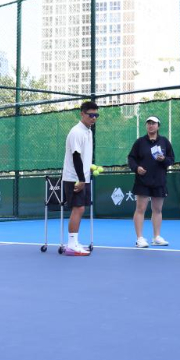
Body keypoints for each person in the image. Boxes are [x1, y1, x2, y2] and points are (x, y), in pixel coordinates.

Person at [127, 116, 175, 248]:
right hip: (142, 181)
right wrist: (136, 168)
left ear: (158, 126)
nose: (151, 125)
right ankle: (139, 238)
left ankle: (156, 237)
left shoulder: (165, 141)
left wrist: (163, 159)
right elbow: (131, 158)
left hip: (159, 180)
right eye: (148, 123)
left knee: (157, 210)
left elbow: (171, 159)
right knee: (140, 209)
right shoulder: (140, 142)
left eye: (153, 123)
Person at [61, 101, 99, 256]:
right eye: (91, 115)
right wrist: (81, 179)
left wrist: (89, 169)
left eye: (96, 115)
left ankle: (74, 242)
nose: (94, 118)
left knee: (80, 209)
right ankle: (71, 245)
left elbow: (83, 157)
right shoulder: (76, 132)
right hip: (74, 178)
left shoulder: (88, 131)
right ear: (82, 114)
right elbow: (76, 156)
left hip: (83, 176)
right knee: (78, 209)